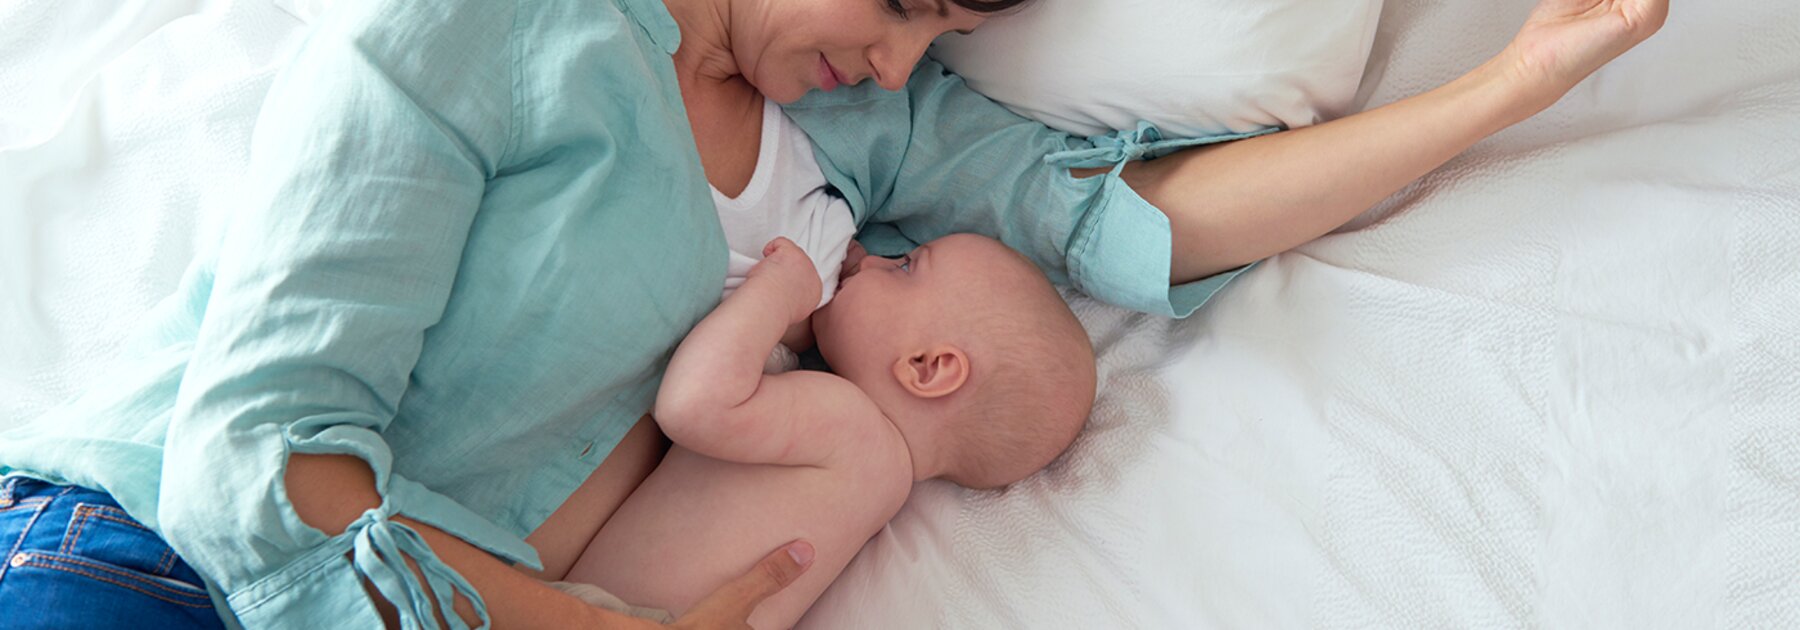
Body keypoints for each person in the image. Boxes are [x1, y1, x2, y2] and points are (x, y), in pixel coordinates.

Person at [0, 0, 1667, 626]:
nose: (899, 61)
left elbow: (1135, 220)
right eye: (897, 5)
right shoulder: (484, 30)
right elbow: (259, 457)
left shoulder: (859, 134)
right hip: (151, 556)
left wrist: (1507, 87)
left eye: (944, 34)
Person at [554, 234, 1096, 628]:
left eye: (905, 266)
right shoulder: (879, 483)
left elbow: (692, 404)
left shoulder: (846, 422)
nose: (872, 259)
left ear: (927, 368)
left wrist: (777, 289)